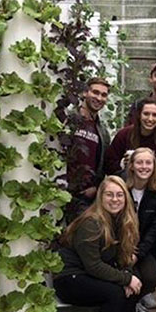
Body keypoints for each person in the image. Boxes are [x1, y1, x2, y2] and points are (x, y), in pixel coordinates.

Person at [56, 176, 142, 312]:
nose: (115, 199)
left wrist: (129, 275)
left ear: (126, 198)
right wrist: (125, 279)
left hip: (88, 274)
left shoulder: (121, 220)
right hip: (70, 278)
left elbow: (125, 256)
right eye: (109, 194)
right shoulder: (91, 222)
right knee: (115, 293)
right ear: (100, 197)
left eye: (120, 195)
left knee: (135, 287)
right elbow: (92, 265)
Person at [125, 147, 156, 312]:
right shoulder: (121, 189)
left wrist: (138, 253)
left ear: (154, 166)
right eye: (139, 162)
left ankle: (136, 301)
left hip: (141, 248)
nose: (144, 167)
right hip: (118, 246)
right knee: (128, 277)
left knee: (151, 277)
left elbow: (154, 230)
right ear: (131, 166)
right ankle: (125, 308)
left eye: (148, 163)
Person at [65, 77, 111, 221]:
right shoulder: (69, 119)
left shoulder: (103, 131)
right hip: (63, 190)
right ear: (85, 93)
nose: (99, 98)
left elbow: (103, 164)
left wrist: (96, 187)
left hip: (86, 197)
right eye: (95, 92)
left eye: (104, 95)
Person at [104, 98, 156, 189]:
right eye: (146, 114)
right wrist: (123, 164)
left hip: (152, 191)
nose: (150, 119)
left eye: (155, 115)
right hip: (125, 188)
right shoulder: (124, 135)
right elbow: (108, 165)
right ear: (139, 115)